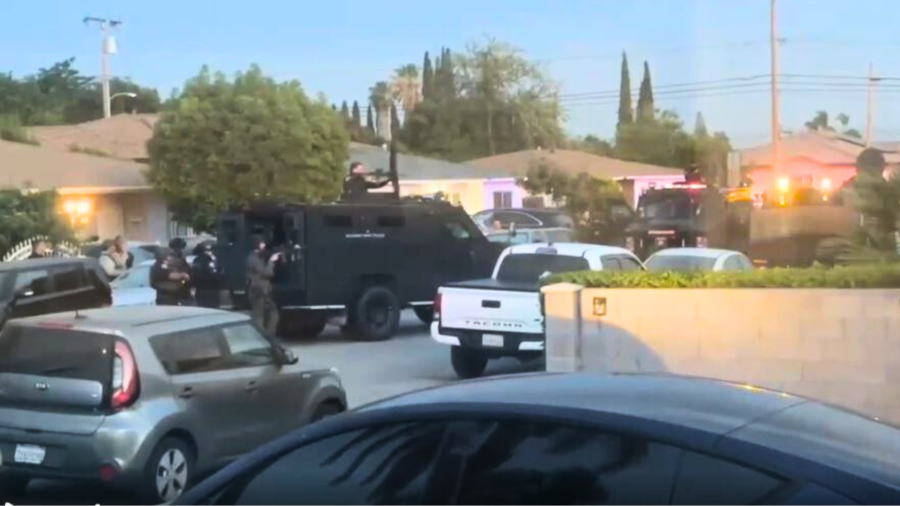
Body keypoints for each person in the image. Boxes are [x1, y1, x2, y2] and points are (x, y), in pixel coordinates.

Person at [246, 235, 282, 334]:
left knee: (272, 315)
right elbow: (267, 272)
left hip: (264, 291)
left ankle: (267, 337)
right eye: (261, 243)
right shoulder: (253, 259)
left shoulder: (256, 257)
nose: (264, 245)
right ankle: (262, 337)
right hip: (259, 291)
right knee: (260, 317)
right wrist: (271, 261)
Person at [150, 241, 193, 306]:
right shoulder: (159, 266)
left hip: (182, 296)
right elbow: (170, 275)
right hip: (168, 298)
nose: (180, 251)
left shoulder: (181, 263)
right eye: (176, 249)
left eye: (181, 249)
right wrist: (182, 276)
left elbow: (188, 275)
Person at [191, 242, 221, 309]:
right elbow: (215, 272)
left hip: (201, 288)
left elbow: (194, 275)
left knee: (203, 308)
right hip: (210, 288)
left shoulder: (196, 260)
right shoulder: (210, 260)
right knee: (213, 308)